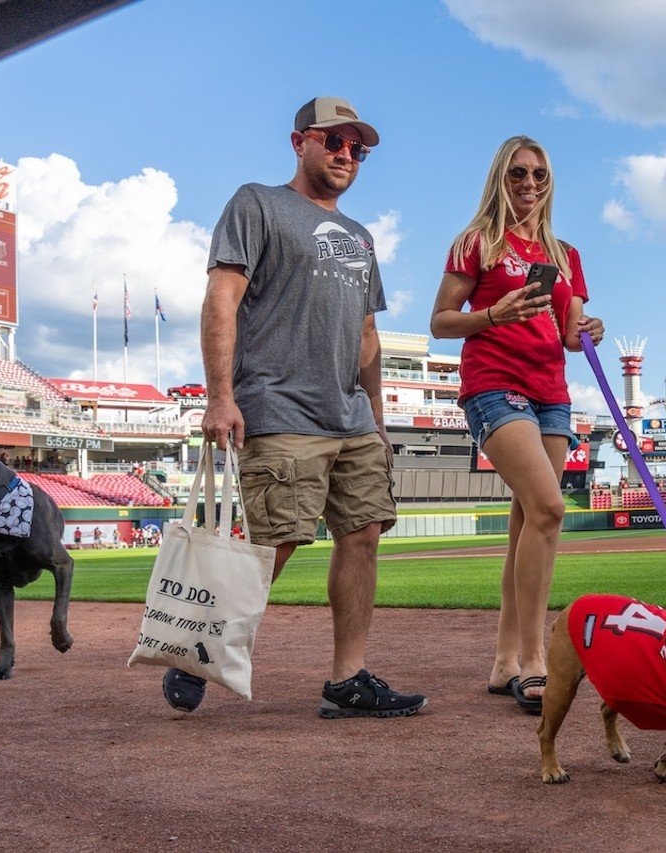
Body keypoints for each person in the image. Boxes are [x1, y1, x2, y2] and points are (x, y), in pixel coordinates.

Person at [166, 96, 425, 719]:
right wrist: (219, 397)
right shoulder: (257, 203)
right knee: (276, 540)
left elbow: (367, 335)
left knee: (363, 535)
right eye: (333, 141)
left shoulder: (361, 238)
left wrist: (378, 420)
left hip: (351, 417)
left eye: (356, 148)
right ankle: (196, 645)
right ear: (298, 142)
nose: (345, 155)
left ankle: (348, 678)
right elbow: (220, 300)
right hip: (279, 404)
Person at [430, 135, 604, 713]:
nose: (529, 184)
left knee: (529, 520)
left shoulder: (564, 253)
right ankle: (534, 661)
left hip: (551, 393)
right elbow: (441, 321)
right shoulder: (476, 242)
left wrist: (589, 332)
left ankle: (505, 661)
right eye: (517, 174)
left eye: (539, 175)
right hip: (494, 387)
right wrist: (491, 314)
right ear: (500, 178)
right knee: (550, 509)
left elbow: (571, 337)